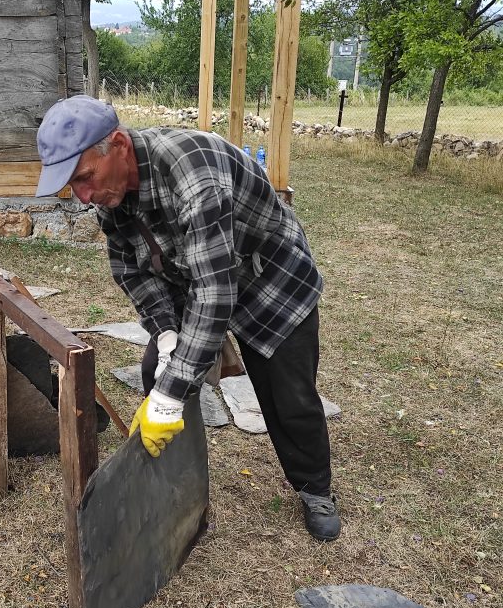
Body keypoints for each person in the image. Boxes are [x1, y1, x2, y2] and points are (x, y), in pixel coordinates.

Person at [35, 95, 340, 542]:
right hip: (193, 276)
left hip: (269, 280)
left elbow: (215, 292)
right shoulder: (110, 194)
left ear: (118, 145)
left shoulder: (192, 172)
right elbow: (131, 271)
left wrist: (170, 395)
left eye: (84, 178)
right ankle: (175, 490)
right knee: (156, 372)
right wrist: (165, 336)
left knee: (289, 395)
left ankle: (315, 489)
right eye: (73, 185)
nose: (83, 196)